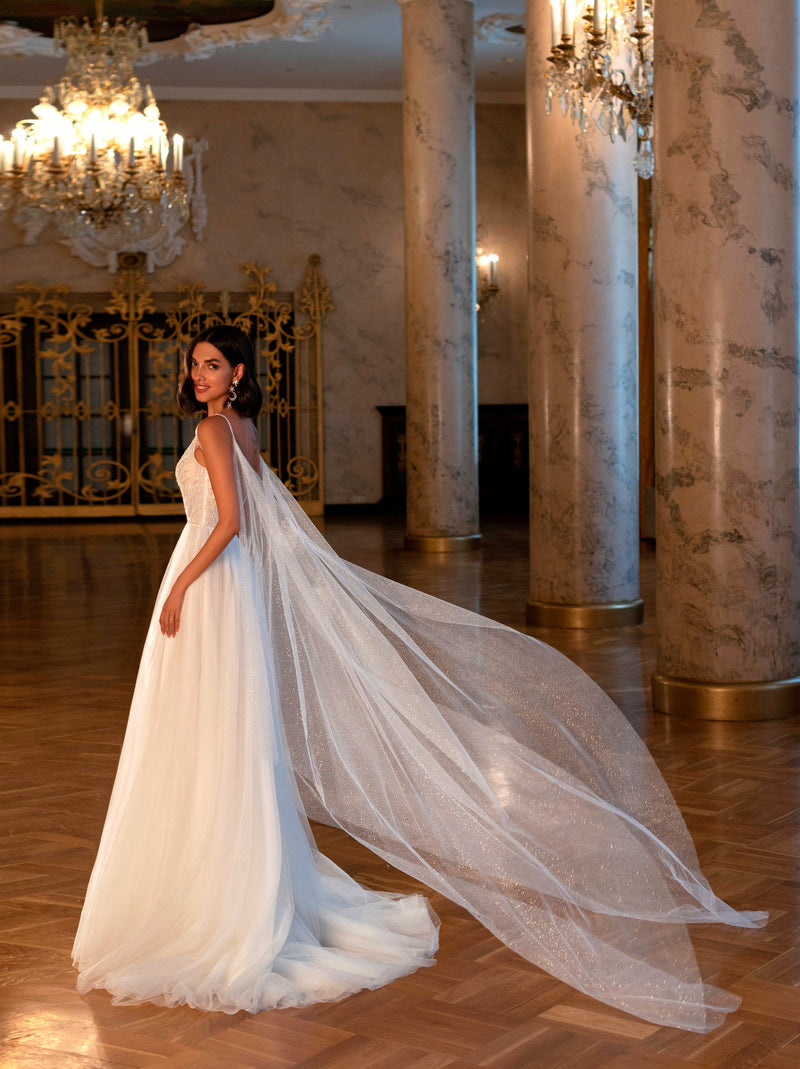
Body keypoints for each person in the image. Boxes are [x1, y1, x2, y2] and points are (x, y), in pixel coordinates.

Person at [73, 324, 766, 1032]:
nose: (199, 374)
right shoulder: (242, 426)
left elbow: (232, 522)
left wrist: (183, 583)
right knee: (227, 732)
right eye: (194, 365)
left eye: (212, 365)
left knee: (207, 732)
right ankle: (240, 882)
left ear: (238, 371)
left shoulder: (218, 429)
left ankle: (214, 891)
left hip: (210, 578)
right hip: (229, 586)